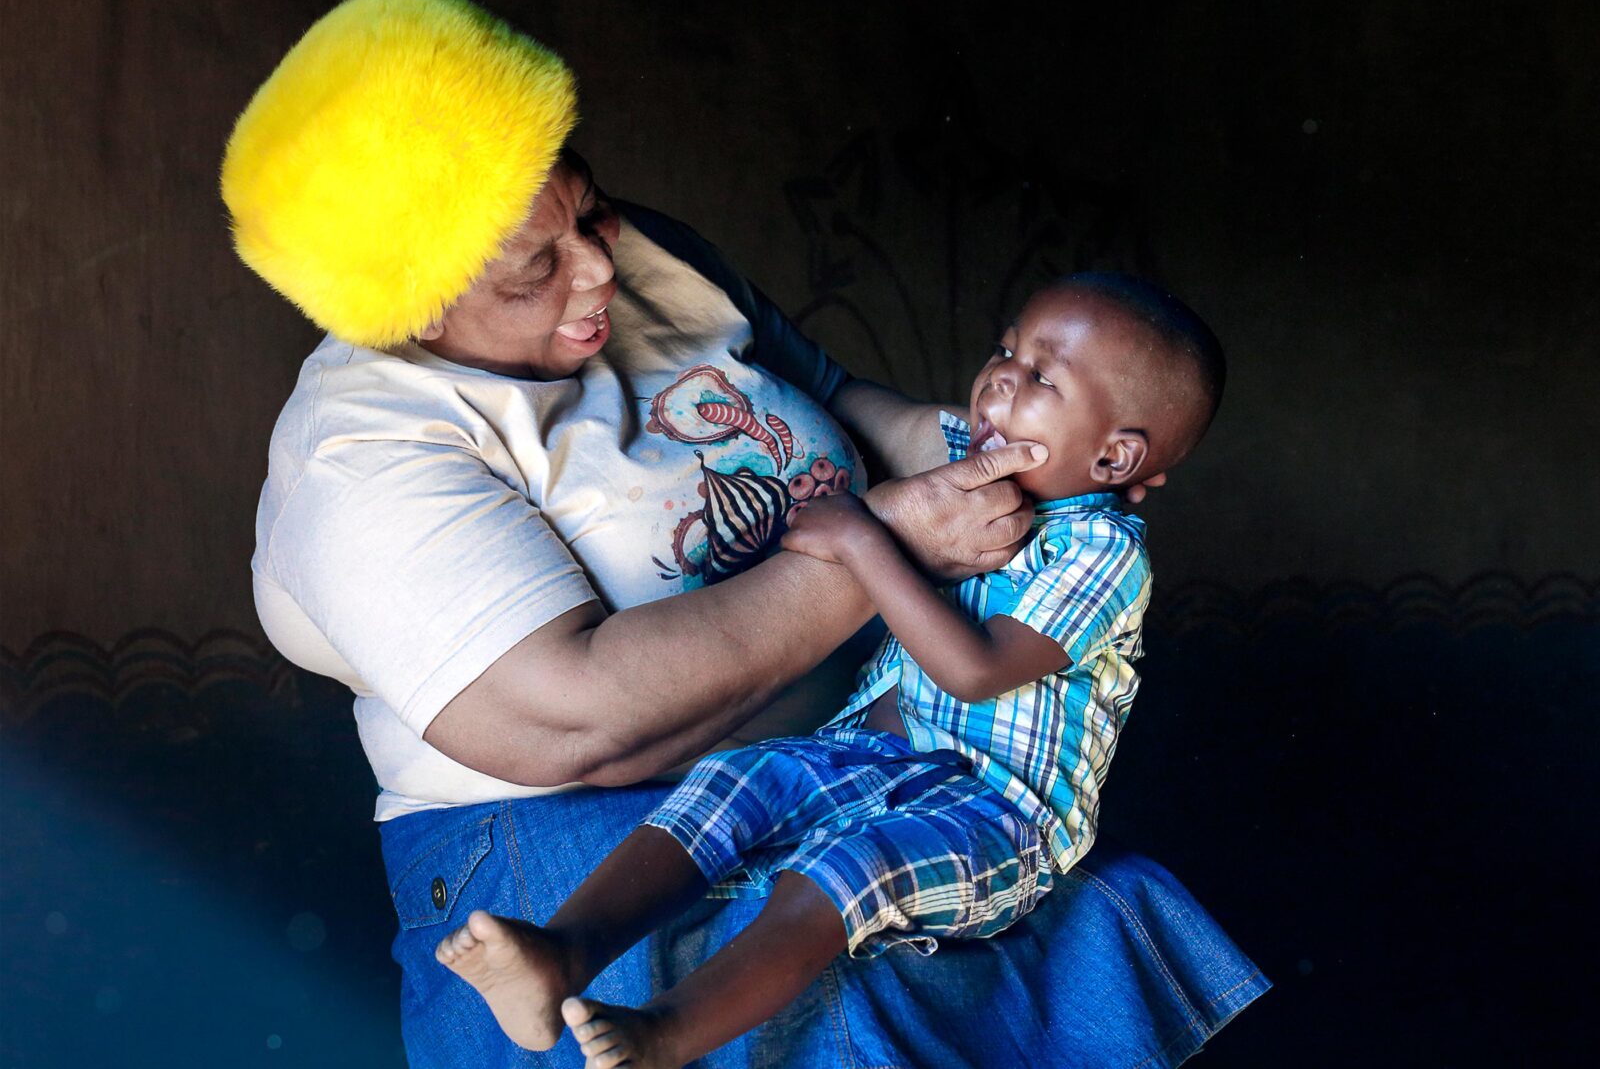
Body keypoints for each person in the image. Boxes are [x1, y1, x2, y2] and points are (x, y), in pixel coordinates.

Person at [224, 0, 1268, 1065]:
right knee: (845, 992)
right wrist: (890, 537)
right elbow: (574, 722)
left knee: (1081, 916)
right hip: (576, 835)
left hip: (847, 756)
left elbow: (834, 397)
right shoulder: (362, 453)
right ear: (413, 306)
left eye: (590, 213)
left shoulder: (646, 264)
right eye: (535, 266)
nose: (596, 269)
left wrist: (1005, 456)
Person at [431, 274, 1224, 1069]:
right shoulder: (976, 467)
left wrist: (863, 539)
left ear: (1118, 452)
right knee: (733, 783)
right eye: (1006, 349)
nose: (999, 378)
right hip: (868, 757)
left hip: (995, 814)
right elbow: (896, 437)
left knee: (845, 874)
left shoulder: (1103, 553)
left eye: (1041, 377)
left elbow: (974, 671)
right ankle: (561, 951)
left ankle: (665, 1034)